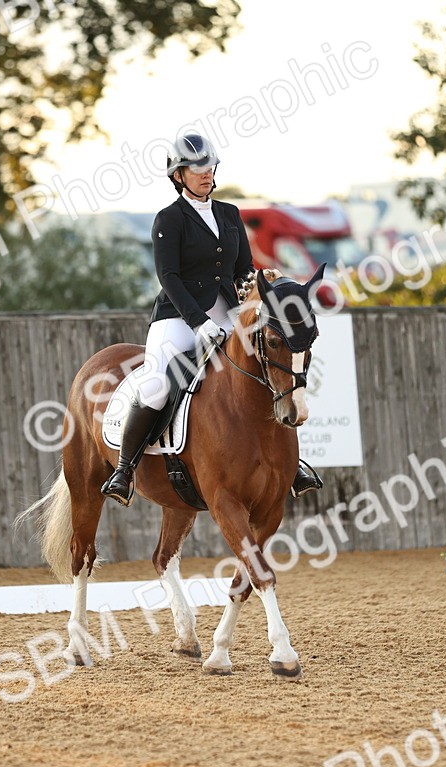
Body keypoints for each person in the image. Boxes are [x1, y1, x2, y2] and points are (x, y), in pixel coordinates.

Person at [100, 132, 324, 506]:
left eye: (209, 167)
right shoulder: (168, 220)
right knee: (156, 384)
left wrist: (258, 283)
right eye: (196, 169)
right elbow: (168, 277)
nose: (205, 174)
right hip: (178, 315)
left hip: (227, 310)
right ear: (178, 175)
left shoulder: (229, 214)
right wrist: (197, 320)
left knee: (266, 366)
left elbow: (242, 270)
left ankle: (291, 462)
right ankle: (124, 469)